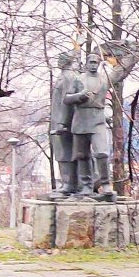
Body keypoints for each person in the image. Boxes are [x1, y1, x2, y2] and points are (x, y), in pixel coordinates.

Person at [65, 52, 112, 196]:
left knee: (102, 152)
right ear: (86, 64)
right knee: (82, 155)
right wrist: (79, 96)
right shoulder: (78, 79)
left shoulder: (104, 80)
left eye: (95, 62)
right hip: (81, 120)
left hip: (97, 119)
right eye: (90, 62)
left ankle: (105, 183)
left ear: (98, 64)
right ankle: (86, 184)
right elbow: (66, 99)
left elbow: (120, 72)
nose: (93, 65)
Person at [49, 51, 79, 196]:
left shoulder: (69, 77)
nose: (58, 61)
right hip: (57, 120)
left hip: (63, 122)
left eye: (61, 59)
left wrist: (63, 122)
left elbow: (67, 101)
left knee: (66, 153)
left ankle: (69, 183)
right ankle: (66, 182)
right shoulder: (62, 77)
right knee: (61, 153)